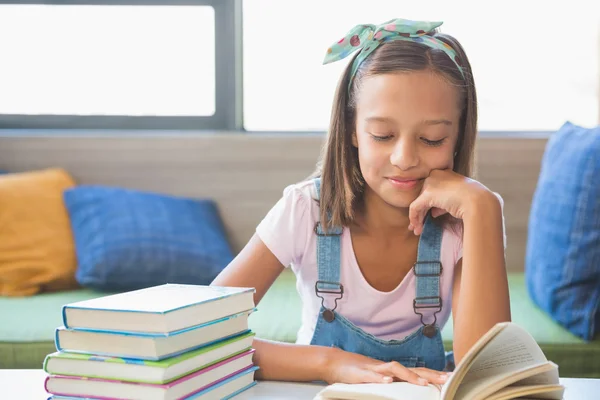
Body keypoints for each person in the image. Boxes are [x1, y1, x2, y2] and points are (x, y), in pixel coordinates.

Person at [211, 17, 511, 387]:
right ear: (353, 129)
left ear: (458, 135)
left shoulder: (468, 217)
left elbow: (489, 376)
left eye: (432, 139)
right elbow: (199, 336)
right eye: (383, 135)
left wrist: (483, 207)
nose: (404, 157)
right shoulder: (305, 210)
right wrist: (328, 363)